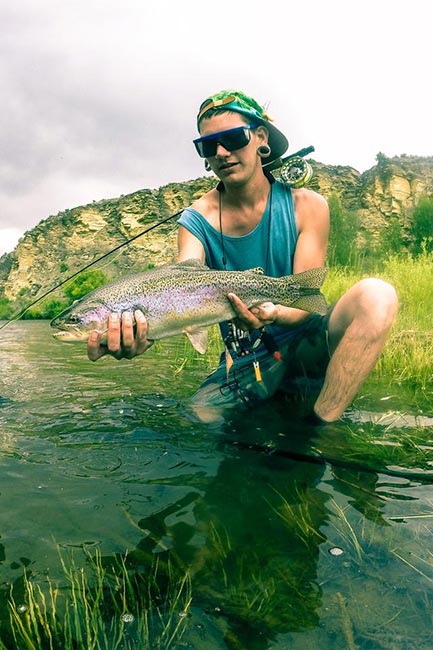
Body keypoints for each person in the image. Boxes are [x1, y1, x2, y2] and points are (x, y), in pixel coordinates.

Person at [87, 89, 398, 423]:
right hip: (248, 355)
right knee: (201, 419)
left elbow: (305, 301)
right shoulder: (195, 220)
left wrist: (273, 311)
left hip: (309, 341)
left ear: (260, 138)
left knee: (377, 296)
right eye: (209, 146)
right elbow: (179, 289)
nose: (222, 152)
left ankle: (324, 425)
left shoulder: (308, 205)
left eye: (234, 138)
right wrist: (143, 335)